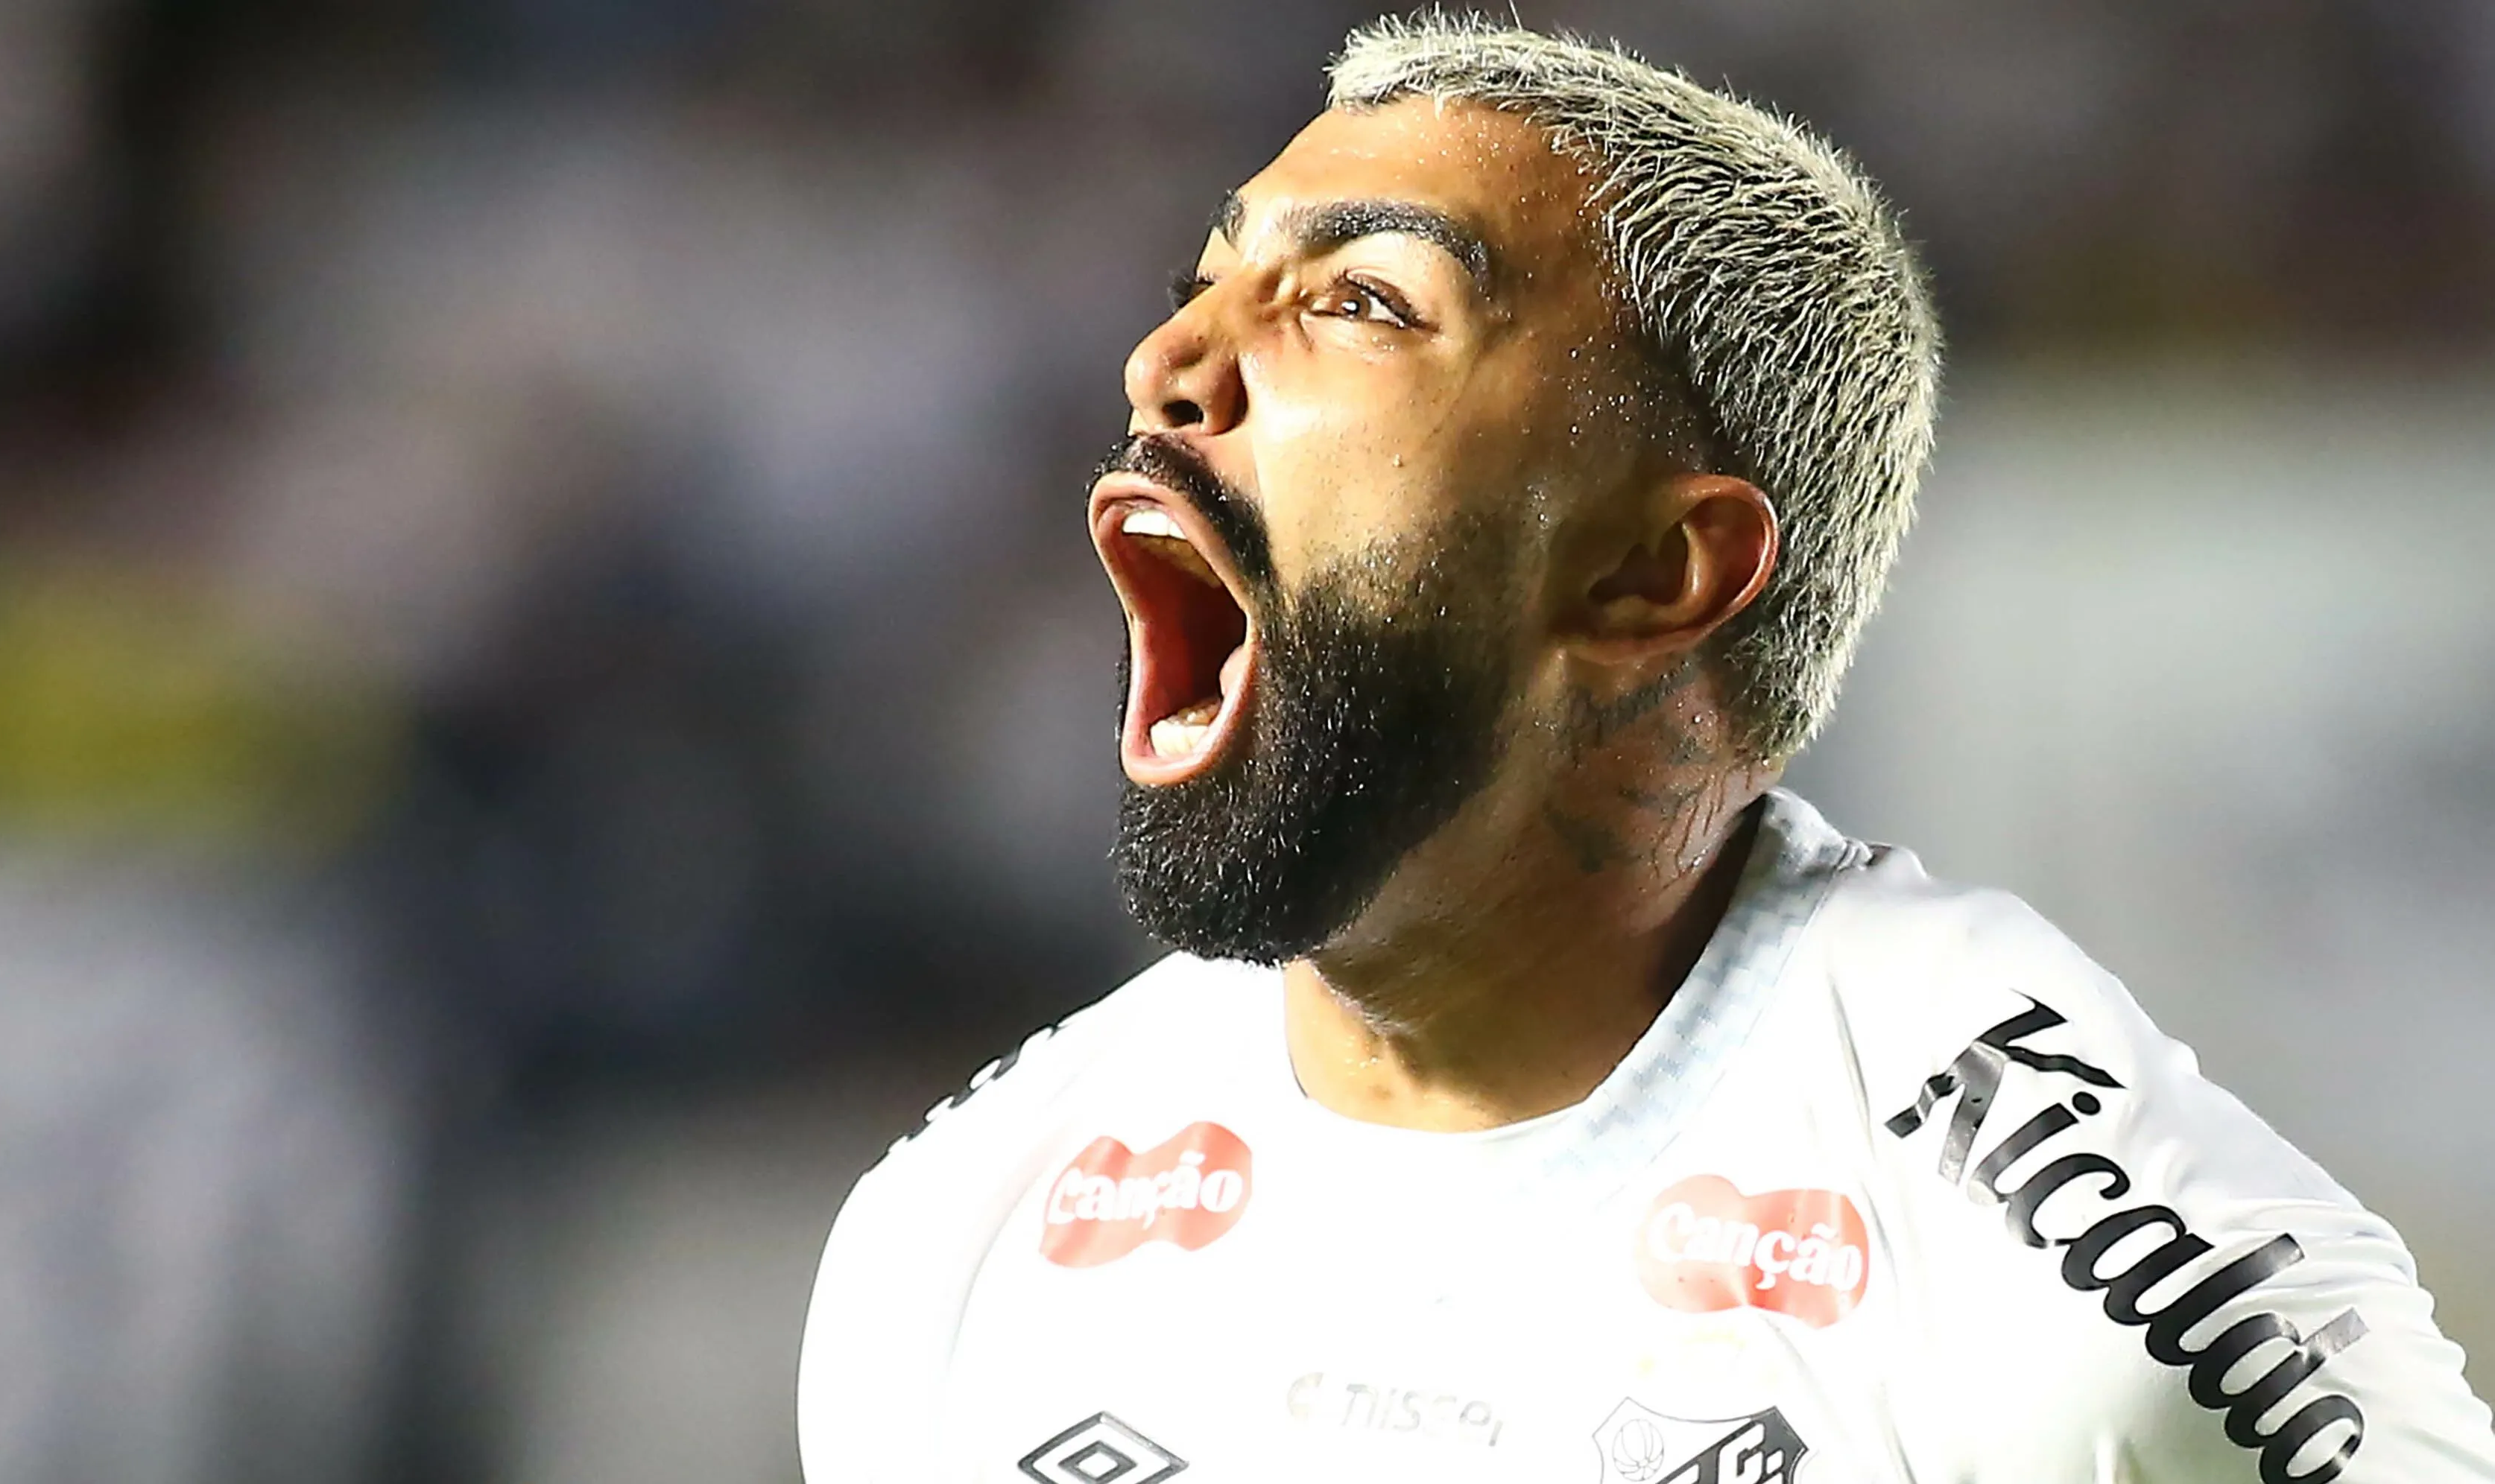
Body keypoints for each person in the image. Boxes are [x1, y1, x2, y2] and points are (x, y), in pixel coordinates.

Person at [797, 15, 2495, 1482]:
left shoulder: (2074, 1296)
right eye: (1204, 287)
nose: (1166, 365)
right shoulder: (969, 1241)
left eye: (1361, 305)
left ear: (1651, 574)